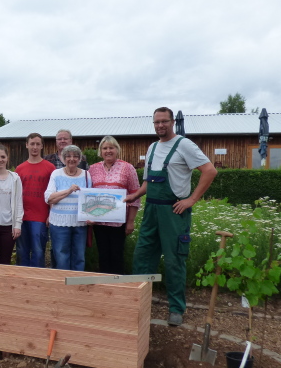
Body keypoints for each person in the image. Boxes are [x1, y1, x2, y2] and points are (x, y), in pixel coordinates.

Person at [125, 107, 217, 326]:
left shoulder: (184, 145)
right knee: (142, 257)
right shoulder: (152, 147)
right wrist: (135, 194)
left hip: (174, 212)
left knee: (175, 260)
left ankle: (176, 308)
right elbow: (149, 181)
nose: (160, 126)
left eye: (164, 121)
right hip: (151, 211)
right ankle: (137, 302)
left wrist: (191, 200)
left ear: (172, 122)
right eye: (156, 122)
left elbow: (210, 171)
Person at [88, 136, 141, 274]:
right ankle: (105, 287)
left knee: (117, 255)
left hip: (119, 222)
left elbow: (135, 195)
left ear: (117, 150)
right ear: (100, 151)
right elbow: (88, 194)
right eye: (105, 148)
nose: (108, 151)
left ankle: (118, 286)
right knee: (103, 255)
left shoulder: (128, 168)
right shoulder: (92, 169)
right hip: (98, 221)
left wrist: (130, 222)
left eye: (111, 148)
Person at [45, 145, 92, 271]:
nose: (72, 159)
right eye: (68, 156)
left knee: (79, 256)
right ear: (64, 159)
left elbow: (90, 198)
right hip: (59, 222)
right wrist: (69, 190)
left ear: (80, 159)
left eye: (75, 156)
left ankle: (77, 285)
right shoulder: (56, 174)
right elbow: (49, 198)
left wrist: (91, 217)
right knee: (61, 256)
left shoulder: (87, 175)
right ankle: (63, 285)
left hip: (80, 223)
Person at [15, 133, 56, 267]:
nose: (35, 147)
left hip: (40, 217)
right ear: (27, 145)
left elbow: (53, 194)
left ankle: (37, 282)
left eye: (38, 144)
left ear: (42, 146)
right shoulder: (19, 169)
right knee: (22, 252)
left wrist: (51, 214)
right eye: (32, 144)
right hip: (22, 217)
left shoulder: (50, 168)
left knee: (38, 252)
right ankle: (23, 281)